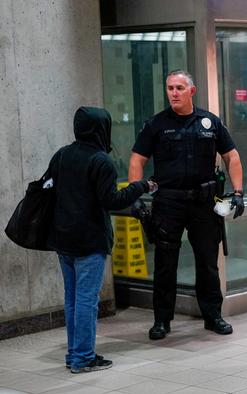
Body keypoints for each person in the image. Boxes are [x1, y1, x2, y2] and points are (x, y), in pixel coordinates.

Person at [128, 70, 244, 340]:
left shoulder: (210, 122)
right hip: (168, 203)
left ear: (192, 91)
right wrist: (136, 195)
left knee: (207, 262)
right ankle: (161, 320)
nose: (174, 93)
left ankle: (213, 315)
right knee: (165, 263)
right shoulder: (156, 124)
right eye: (170, 88)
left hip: (204, 203)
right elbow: (137, 160)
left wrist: (238, 192)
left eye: (179, 88)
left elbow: (232, 156)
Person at [47, 107, 155, 373]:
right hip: (89, 240)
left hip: (63, 238)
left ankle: (74, 353)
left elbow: (48, 189)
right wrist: (141, 186)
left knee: (72, 298)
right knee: (86, 299)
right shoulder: (100, 160)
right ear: (101, 129)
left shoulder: (62, 155)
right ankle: (83, 358)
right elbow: (112, 200)